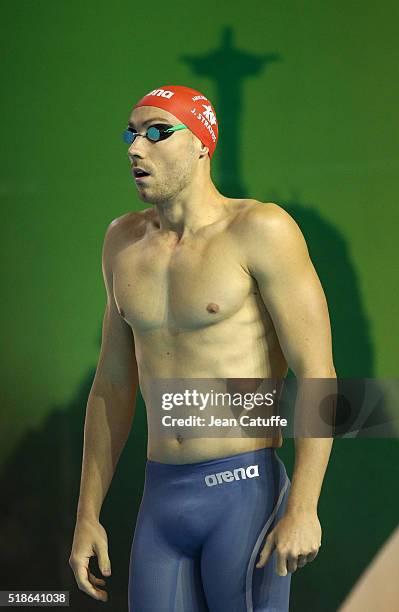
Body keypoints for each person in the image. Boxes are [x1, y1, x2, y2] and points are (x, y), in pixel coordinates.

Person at [69, 85, 336, 611]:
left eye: (157, 132)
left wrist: (304, 506)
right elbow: (112, 387)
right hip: (161, 497)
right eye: (131, 132)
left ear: (201, 144)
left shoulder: (261, 230)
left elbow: (319, 374)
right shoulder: (121, 242)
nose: (134, 147)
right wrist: (86, 513)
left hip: (245, 495)